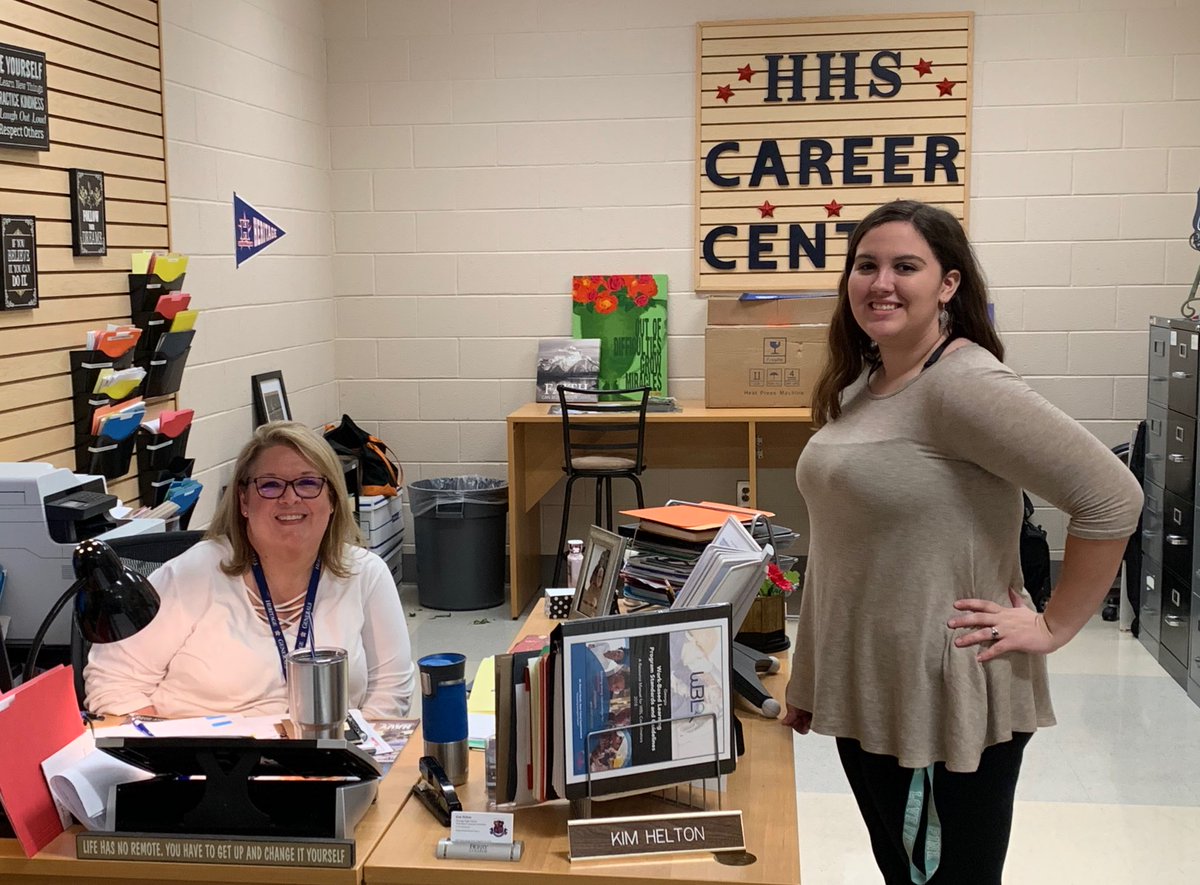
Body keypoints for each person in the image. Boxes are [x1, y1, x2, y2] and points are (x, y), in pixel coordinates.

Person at [782, 200, 1142, 884]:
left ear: (948, 283)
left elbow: (1112, 496)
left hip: (943, 699)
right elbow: (843, 545)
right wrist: (813, 673)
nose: (881, 283)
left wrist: (1053, 625)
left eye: (905, 266)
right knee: (902, 872)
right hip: (870, 684)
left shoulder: (963, 383)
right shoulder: (864, 380)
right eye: (866, 265)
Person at [85, 421, 416, 720]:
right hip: (205, 760)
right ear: (243, 500)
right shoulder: (191, 575)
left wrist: (355, 751)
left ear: (332, 498)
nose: (290, 498)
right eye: (270, 485)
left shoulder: (365, 574)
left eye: (308, 483)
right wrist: (168, 750)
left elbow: (391, 692)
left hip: (327, 758)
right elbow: (112, 682)